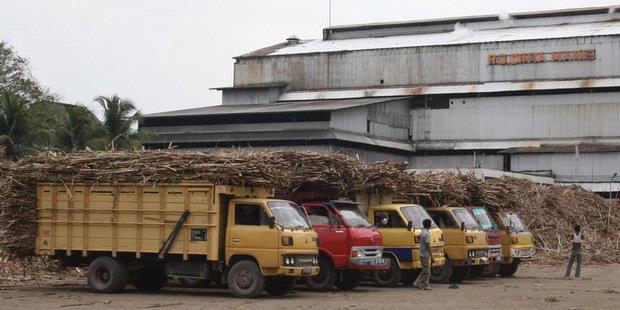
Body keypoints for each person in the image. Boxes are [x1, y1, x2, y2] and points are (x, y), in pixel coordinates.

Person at [414, 218, 434, 290]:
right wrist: (431, 255)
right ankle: (424, 284)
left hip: (422, 253)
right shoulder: (426, 233)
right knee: (427, 271)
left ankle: (420, 283)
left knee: (425, 270)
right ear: (429, 225)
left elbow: (418, 237)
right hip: (425, 254)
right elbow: (427, 245)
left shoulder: (423, 232)